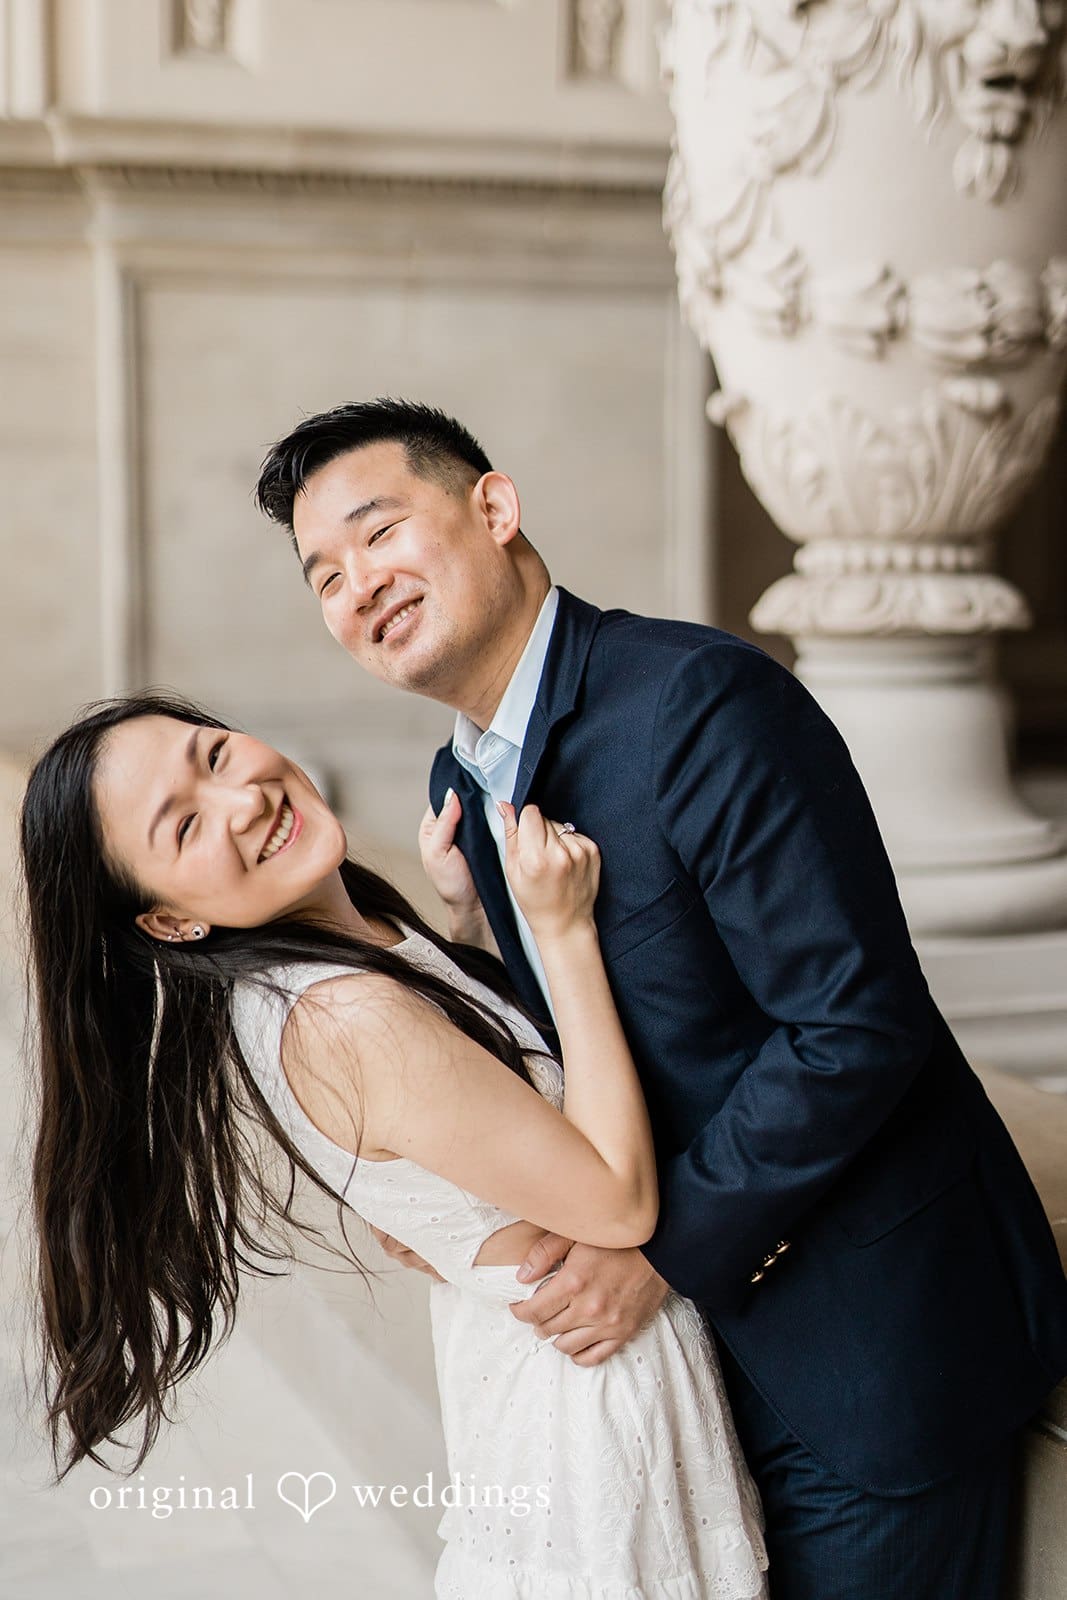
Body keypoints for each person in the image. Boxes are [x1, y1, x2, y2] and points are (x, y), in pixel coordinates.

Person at [255, 397, 1067, 1600]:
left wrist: (665, 1255)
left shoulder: (698, 701)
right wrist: (472, 936)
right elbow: (610, 1031)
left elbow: (853, 1024)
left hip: (870, 1341)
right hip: (690, 1387)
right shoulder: (461, 780)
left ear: (494, 507)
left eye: (379, 534)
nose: (358, 584)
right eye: (325, 574)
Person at [20, 692, 768, 1600]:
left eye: (212, 756)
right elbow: (619, 1199)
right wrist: (561, 931)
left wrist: (473, 930)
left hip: (563, 1389)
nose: (243, 798)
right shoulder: (343, 1014)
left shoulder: (332, 962)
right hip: (588, 1407)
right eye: (183, 827)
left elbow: (481, 1100)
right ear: (169, 922)